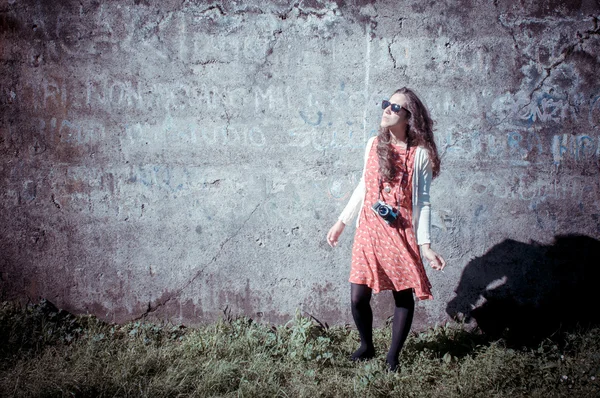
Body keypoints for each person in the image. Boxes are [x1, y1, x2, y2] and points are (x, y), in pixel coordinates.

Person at [326, 87, 446, 372]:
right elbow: (363, 186)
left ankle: (393, 357)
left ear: (409, 117)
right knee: (358, 297)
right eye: (386, 104)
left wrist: (425, 245)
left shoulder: (419, 155)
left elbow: (423, 202)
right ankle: (366, 346)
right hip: (368, 230)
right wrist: (341, 222)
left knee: (403, 294)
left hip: (400, 230)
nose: (386, 110)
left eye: (395, 107)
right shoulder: (372, 145)